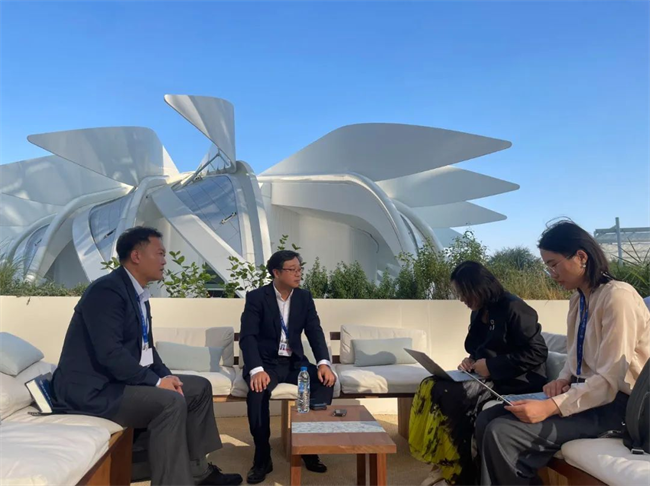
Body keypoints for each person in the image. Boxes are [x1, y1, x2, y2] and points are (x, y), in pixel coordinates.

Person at [51, 227, 242, 486]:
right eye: (160, 253)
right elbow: (110, 353)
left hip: (118, 383)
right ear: (136, 256)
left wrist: (167, 377)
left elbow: (147, 350)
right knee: (169, 402)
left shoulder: (139, 295)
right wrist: (156, 383)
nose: (165, 260)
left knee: (198, 388)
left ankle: (198, 472)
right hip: (93, 392)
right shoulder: (106, 291)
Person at [475, 220, 650, 486]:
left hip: (620, 406)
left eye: (554, 264)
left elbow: (609, 380)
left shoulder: (618, 297)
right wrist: (563, 379)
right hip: (588, 394)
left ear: (581, 257)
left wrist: (550, 406)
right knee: (488, 417)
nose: (552, 274)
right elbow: (575, 353)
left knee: (503, 432)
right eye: (548, 267)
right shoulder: (578, 299)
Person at [410, 261, 548, 486]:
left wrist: (492, 366)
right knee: (431, 384)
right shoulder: (479, 311)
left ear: (479, 287)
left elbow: (538, 352)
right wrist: (471, 361)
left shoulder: (514, 308)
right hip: (485, 377)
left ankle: (459, 470)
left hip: (516, 381)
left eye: (463, 293)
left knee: (450, 394)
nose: (461, 299)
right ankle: (445, 462)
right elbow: (480, 348)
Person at [239, 250, 337, 484]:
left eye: (300, 269)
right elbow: (248, 336)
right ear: (276, 272)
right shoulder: (257, 297)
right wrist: (256, 370)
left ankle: (308, 446)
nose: (298, 274)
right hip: (266, 364)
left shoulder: (304, 297)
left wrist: (324, 363)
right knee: (257, 393)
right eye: (292, 269)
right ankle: (262, 457)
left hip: (294, 363)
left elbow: (314, 331)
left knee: (324, 382)